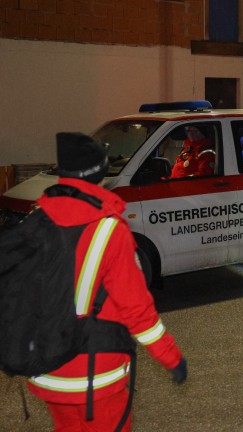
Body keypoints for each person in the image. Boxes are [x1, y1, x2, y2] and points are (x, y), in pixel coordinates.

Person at [28, 132, 187, 431]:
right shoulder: (108, 229)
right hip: (94, 373)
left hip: (47, 368)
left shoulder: (36, 219)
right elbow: (137, 309)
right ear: (98, 174)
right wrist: (171, 357)